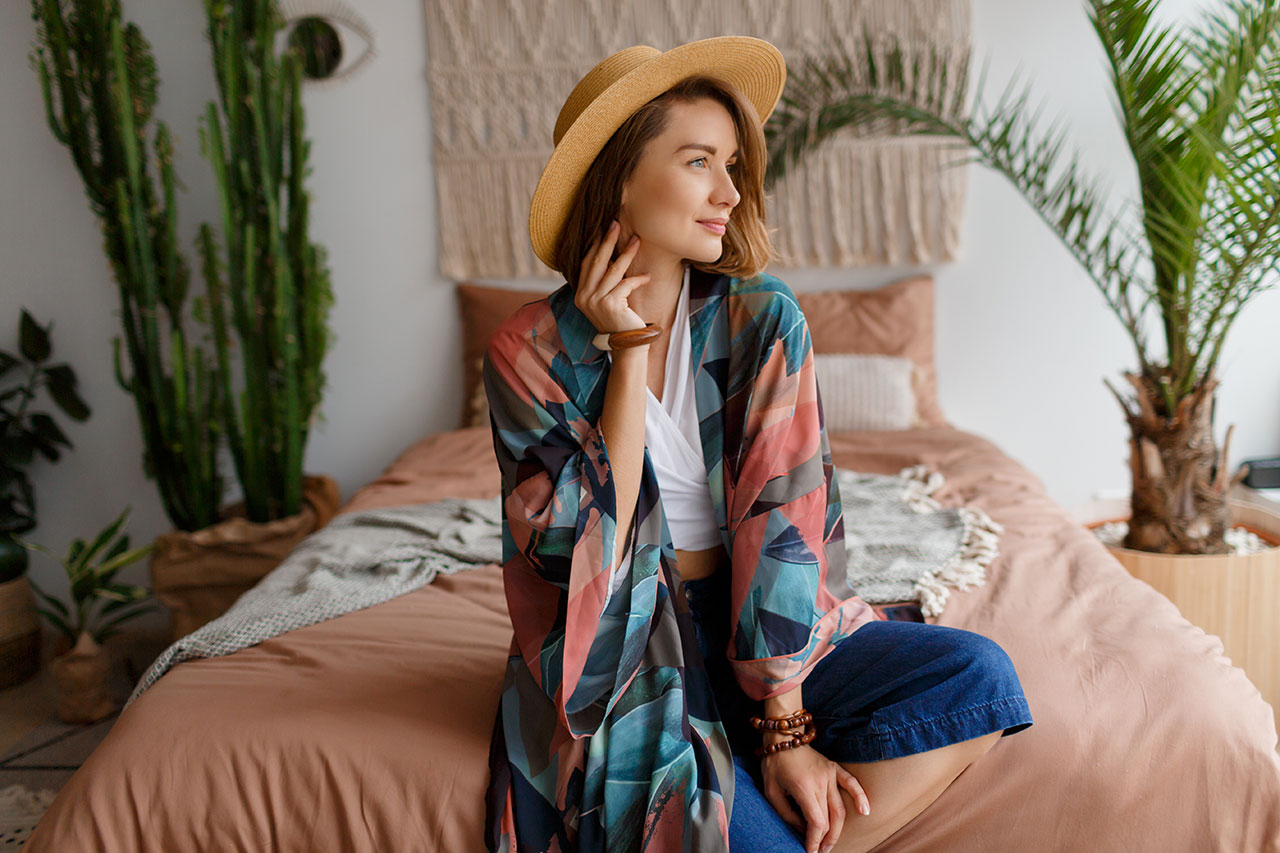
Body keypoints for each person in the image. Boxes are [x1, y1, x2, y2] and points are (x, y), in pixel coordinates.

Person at [481, 36, 1033, 853]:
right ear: (619, 177)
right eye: (699, 161)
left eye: (733, 164)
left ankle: (748, 770)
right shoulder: (527, 352)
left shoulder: (761, 317)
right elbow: (587, 550)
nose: (730, 192)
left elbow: (785, 519)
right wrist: (626, 352)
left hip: (762, 622)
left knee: (979, 678)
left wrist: (785, 728)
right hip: (632, 647)